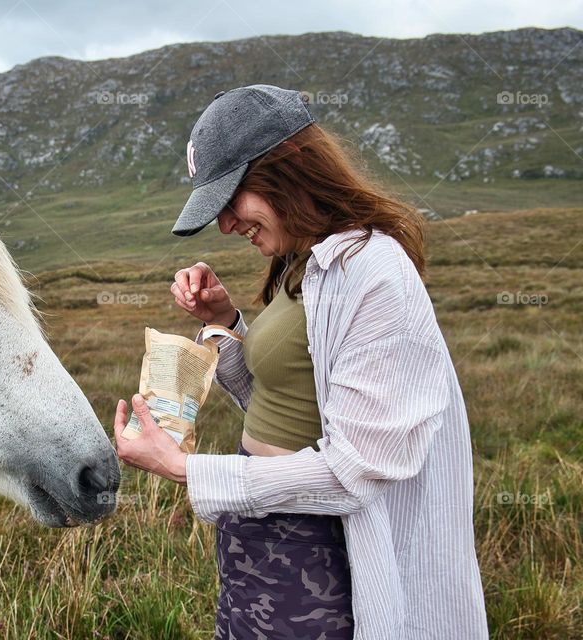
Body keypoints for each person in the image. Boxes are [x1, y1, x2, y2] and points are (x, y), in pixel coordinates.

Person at [113, 85, 489, 639]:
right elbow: (275, 398)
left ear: (284, 171)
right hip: (261, 537)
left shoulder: (372, 273)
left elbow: (356, 471)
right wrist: (225, 321)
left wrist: (182, 468)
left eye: (230, 200)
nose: (225, 227)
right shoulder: (305, 262)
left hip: (314, 546)